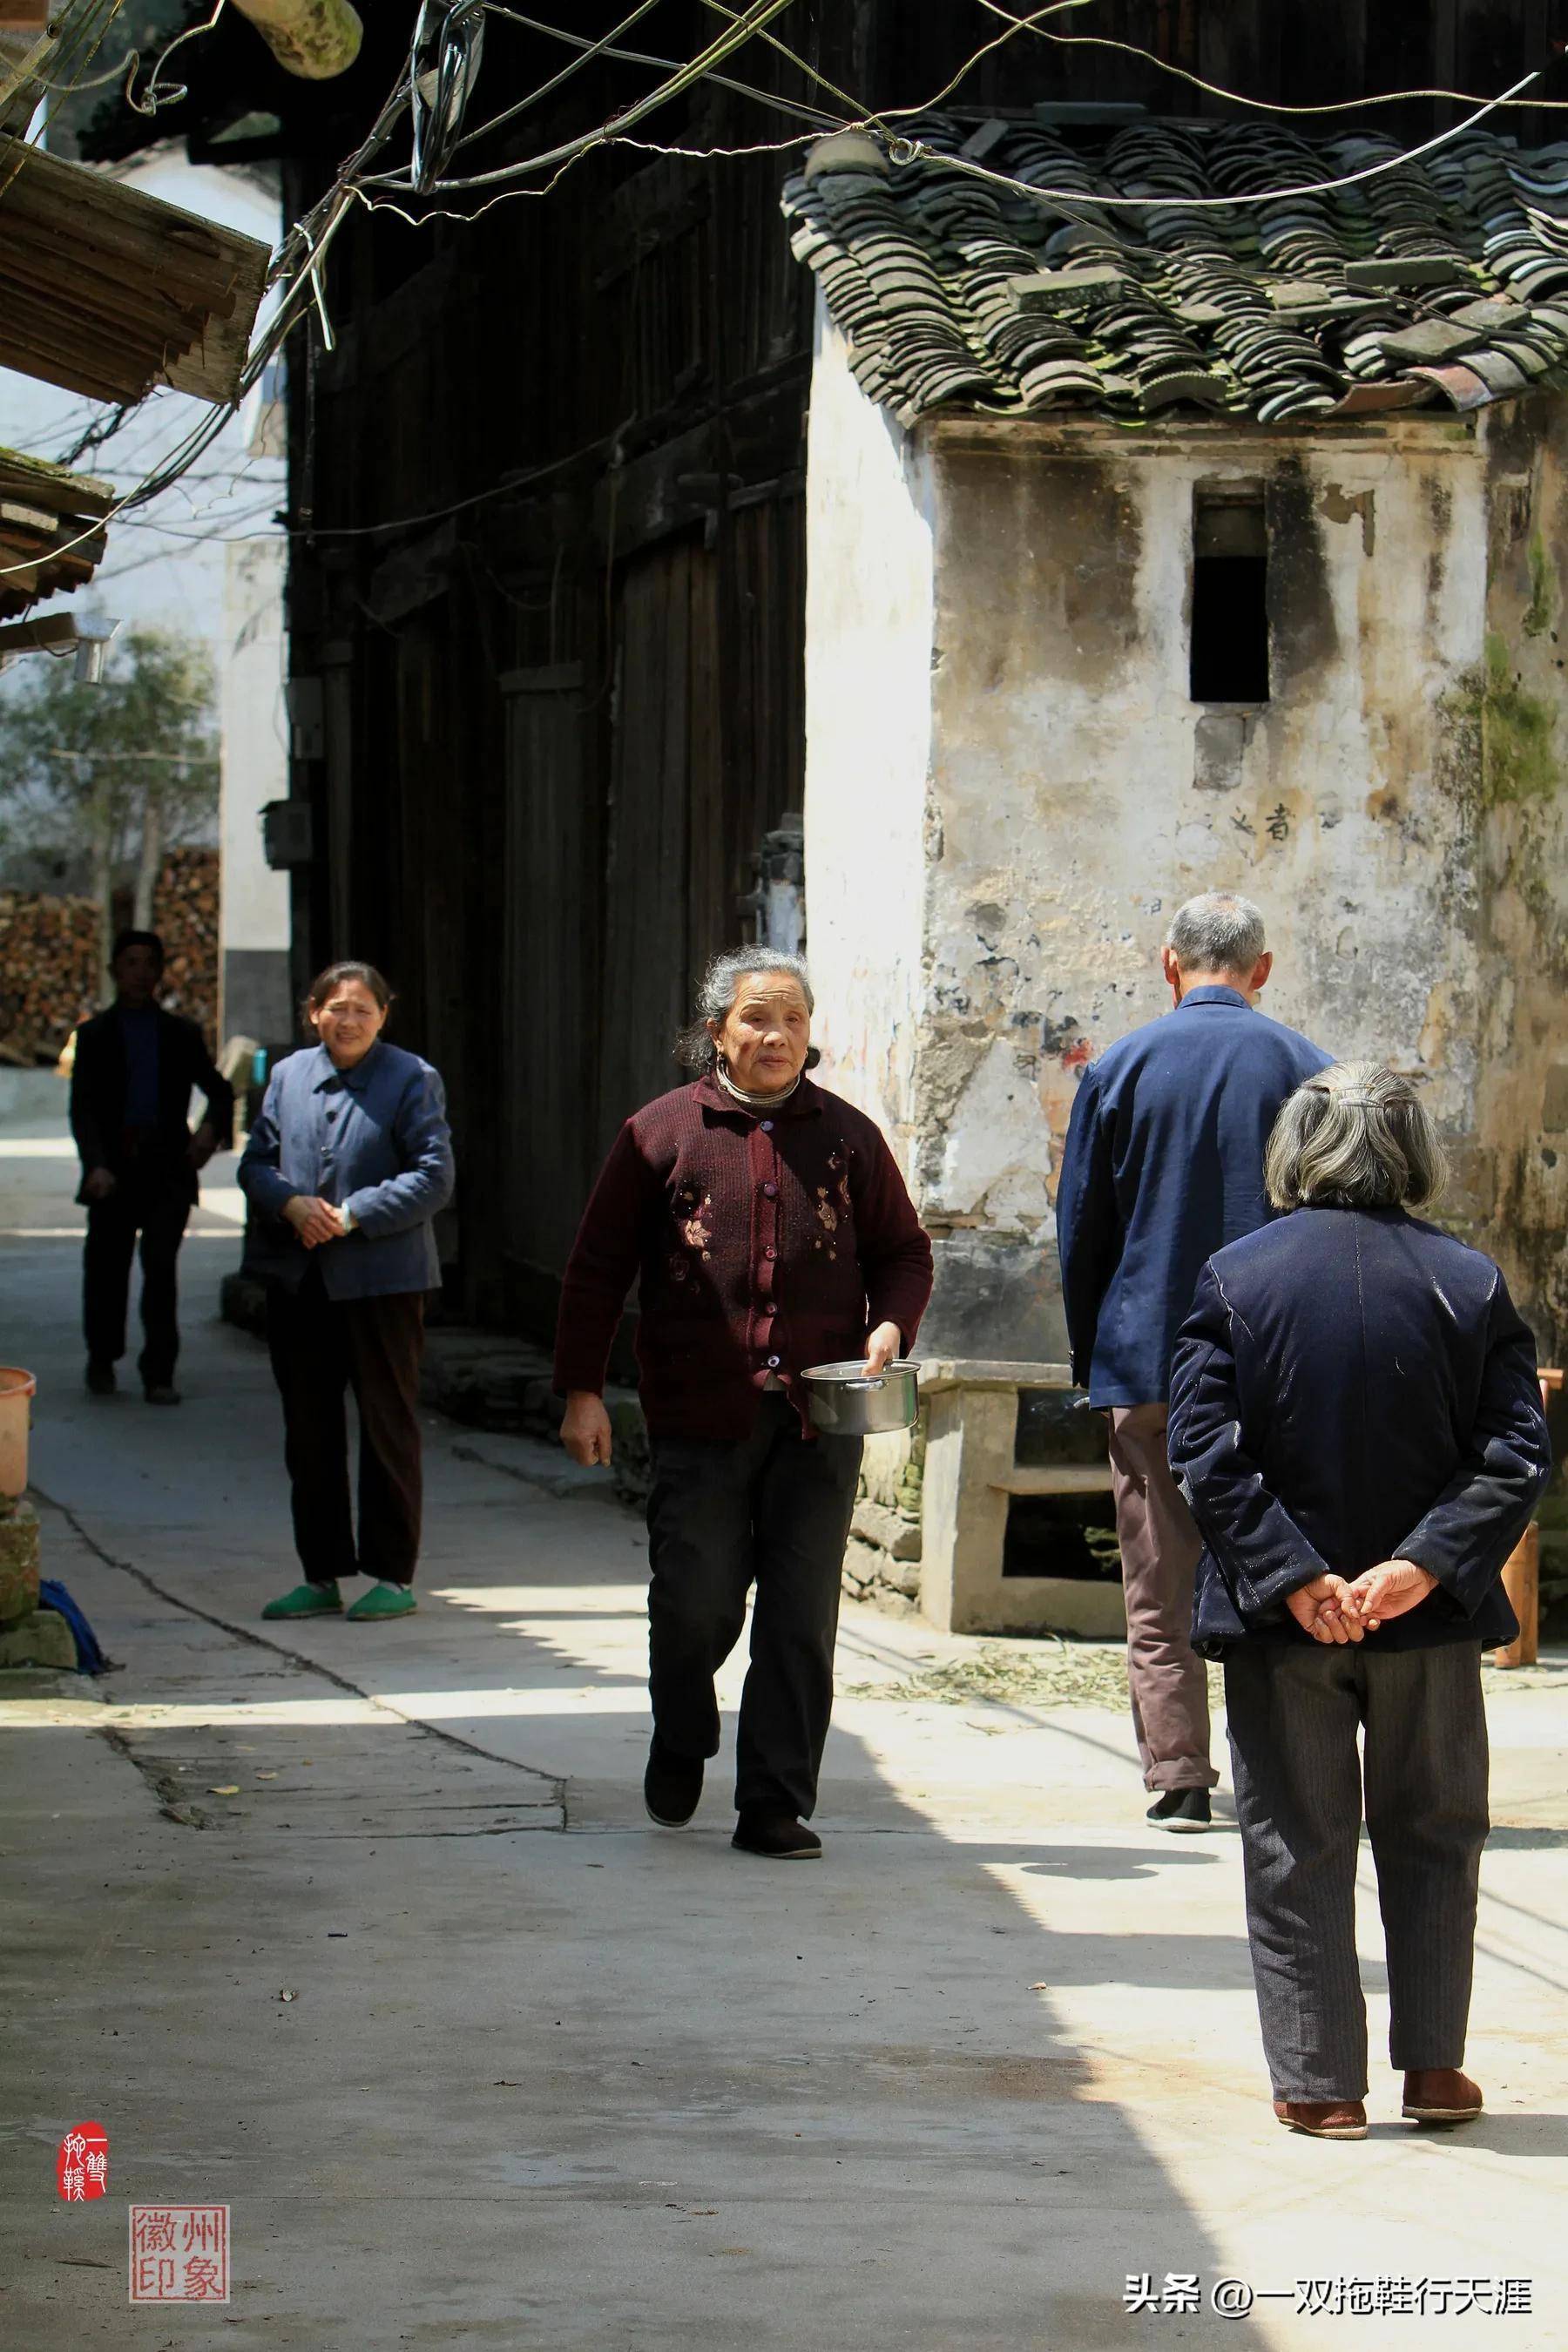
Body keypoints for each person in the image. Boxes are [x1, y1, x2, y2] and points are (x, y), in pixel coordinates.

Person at [1167, 1063, 1551, 2140]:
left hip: (1283, 1623)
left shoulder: (1237, 1279)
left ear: (1296, 1149)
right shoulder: (1469, 1282)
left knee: (1295, 1837)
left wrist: (1295, 1576)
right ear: (1412, 1153)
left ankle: (1320, 2082)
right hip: (1426, 1622)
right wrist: (1421, 1567)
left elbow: (1203, 1449)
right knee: (1437, 1830)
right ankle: (1434, 2068)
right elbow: (1516, 1451)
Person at [555, 948, 933, 1861]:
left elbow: (902, 1251)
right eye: (757, 1018)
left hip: (819, 1422)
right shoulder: (660, 1133)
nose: (777, 1036)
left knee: (800, 1617)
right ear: (717, 1031)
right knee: (696, 1602)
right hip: (698, 1415)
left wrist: (891, 1325)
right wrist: (582, 1391)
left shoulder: (845, 1138)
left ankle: (773, 1804)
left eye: (793, 1020)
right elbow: (597, 1269)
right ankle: (682, 1730)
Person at [1054, 892, 1330, 1830]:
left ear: (1168, 965)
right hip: (1278, 1367)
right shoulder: (1311, 1072)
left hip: (1151, 1360)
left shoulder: (1118, 1069)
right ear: (1263, 969)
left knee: (1157, 1581)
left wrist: (1094, 1355)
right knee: (1280, 1564)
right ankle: (1284, 1775)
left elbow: (1082, 1231)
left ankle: (1178, 1777)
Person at [238, 962, 455, 1625]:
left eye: (364, 1009)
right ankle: (321, 1573)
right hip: (301, 1280)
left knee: (387, 1423)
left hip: (382, 1280)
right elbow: (256, 1162)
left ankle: (392, 1574)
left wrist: (351, 1214)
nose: (349, 1020)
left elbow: (434, 1175)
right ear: (314, 1013)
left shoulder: (411, 1078)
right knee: (308, 1431)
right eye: (337, 1008)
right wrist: (290, 1205)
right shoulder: (287, 1076)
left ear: (384, 1016)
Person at [70, 929, 233, 1405]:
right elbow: (83, 1109)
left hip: (167, 1170)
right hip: (113, 1170)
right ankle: (102, 1358)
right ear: (114, 971)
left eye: (149, 963)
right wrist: (95, 1165)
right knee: (107, 1271)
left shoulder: (180, 1034)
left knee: (161, 1271)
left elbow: (220, 1090)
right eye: (131, 963)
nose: (140, 973)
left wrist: (208, 1134)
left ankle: (160, 1372)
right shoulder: (94, 1036)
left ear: (160, 971)